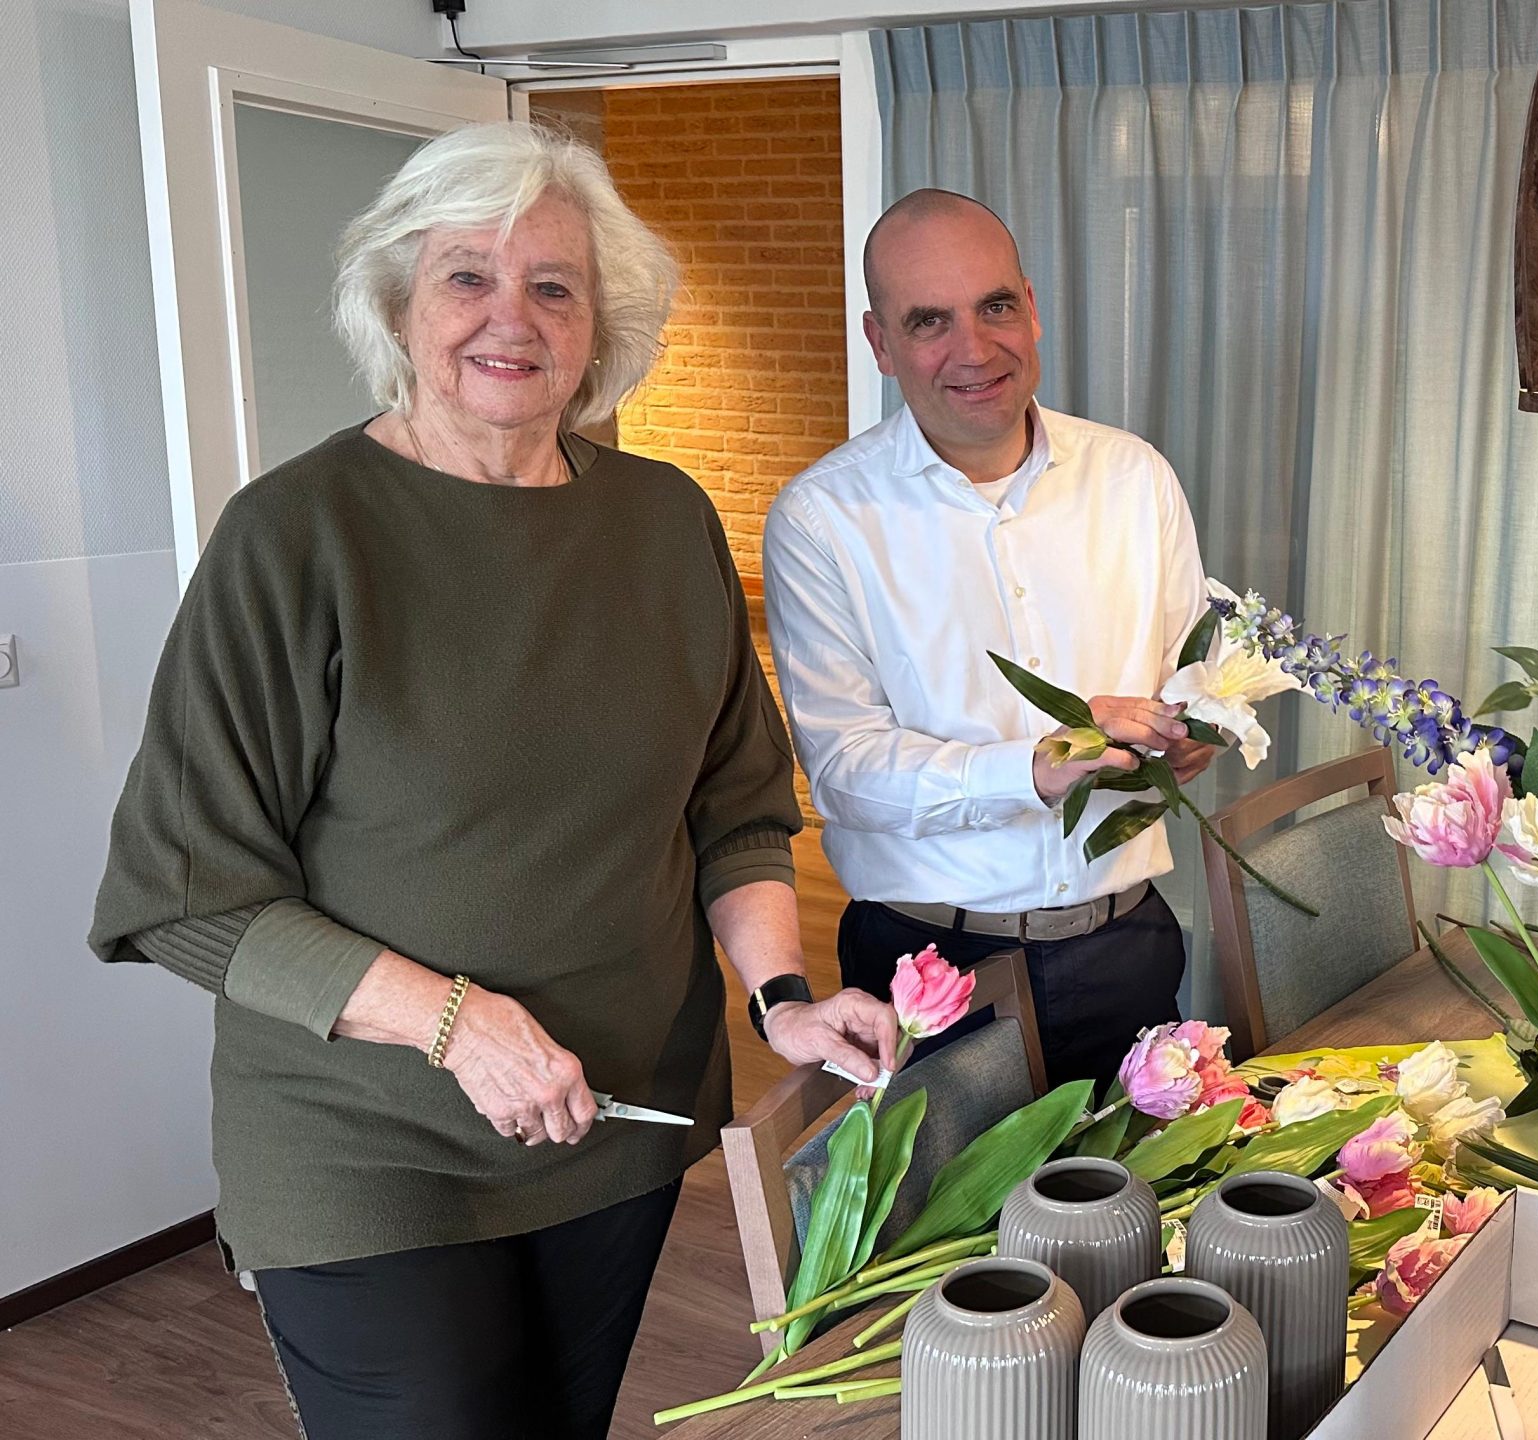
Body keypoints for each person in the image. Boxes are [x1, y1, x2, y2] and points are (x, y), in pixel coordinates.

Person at [89, 122, 903, 1440]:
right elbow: (184, 889)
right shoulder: (297, 537)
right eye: (468, 275)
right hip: (367, 1145)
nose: (508, 317)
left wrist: (787, 999)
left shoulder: (661, 521)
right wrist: (458, 1023)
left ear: (600, 327)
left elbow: (736, 804)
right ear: (399, 304)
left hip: (614, 1118)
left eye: (553, 285)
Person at [764, 189, 1216, 1088]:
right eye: (929, 321)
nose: (974, 349)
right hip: (929, 968)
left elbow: (1192, 668)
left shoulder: (1133, 477)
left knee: (1143, 1222)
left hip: (1128, 944)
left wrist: (1196, 726)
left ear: (1033, 308)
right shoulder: (822, 518)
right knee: (947, 1233)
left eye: (995, 307)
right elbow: (845, 770)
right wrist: (1031, 768)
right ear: (880, 344)